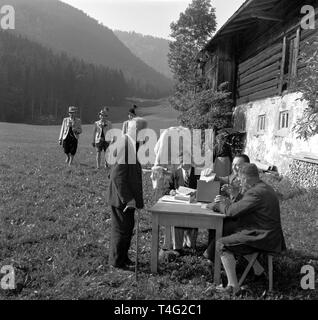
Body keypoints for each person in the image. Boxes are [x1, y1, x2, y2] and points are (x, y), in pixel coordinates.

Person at [213, 163, 286, 294]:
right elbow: (243, 206)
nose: (240, 183)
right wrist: (232, 200)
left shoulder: (255, 192)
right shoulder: (264, 187)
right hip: (270, 235)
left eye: (241, 179)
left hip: (264, 237)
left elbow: (231, 212)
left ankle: (232, 287)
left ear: (246, 178)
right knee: (237, 234)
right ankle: (259, 271)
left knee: (221, 244)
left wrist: (218, 205)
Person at [107, 117, 148, 270]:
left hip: (124, 198)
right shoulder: (125, 145)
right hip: (121, 199)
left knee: (127, 227)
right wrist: (128, 199)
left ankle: (123, 257)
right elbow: (117, 175)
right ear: (137, 131)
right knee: (121, 229)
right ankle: (117, 262)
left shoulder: (131, 143)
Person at [204, 154, 251, 261]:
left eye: (238, 165)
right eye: (233, 165)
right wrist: (211, 174)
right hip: (232, 214)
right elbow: (222, 180)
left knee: (223, 226)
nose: (234, 167)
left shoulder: (250, 181)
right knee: (214, 222)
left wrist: (229, 201)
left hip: (245, 220)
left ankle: (210, 256)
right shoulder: (233, 176)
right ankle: (213, 257)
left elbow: (247, 204)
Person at [164, 154, 200, 254]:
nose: (183, 163)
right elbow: (167, 188)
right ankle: (177, 247)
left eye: (186, 160)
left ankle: (190, 243)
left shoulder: (198, 173)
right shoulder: (175, 173)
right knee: (176, 219)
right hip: (178, 204)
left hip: (194, 205)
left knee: (194, 219)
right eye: (182, 161)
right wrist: (170, 191)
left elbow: (203, 187)